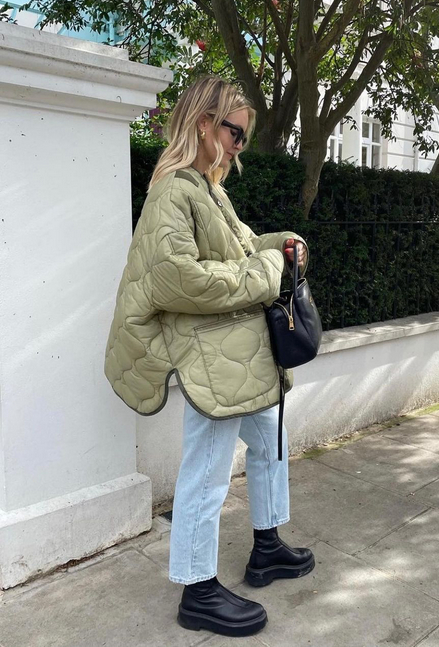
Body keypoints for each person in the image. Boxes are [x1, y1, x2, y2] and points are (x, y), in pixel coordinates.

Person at [104, 75, 314, 638]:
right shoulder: (173, 192)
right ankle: (197, 590)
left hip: (235, 355)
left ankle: (266, 547)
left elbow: (244, 247)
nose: (239, 145)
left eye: (244, 136)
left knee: (270, 442)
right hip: (208, 359)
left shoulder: (209, 190)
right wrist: (266, 272)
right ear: (204, 124)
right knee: (207, 471)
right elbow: (177, 279)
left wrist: (283, 244)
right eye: (234, 133)